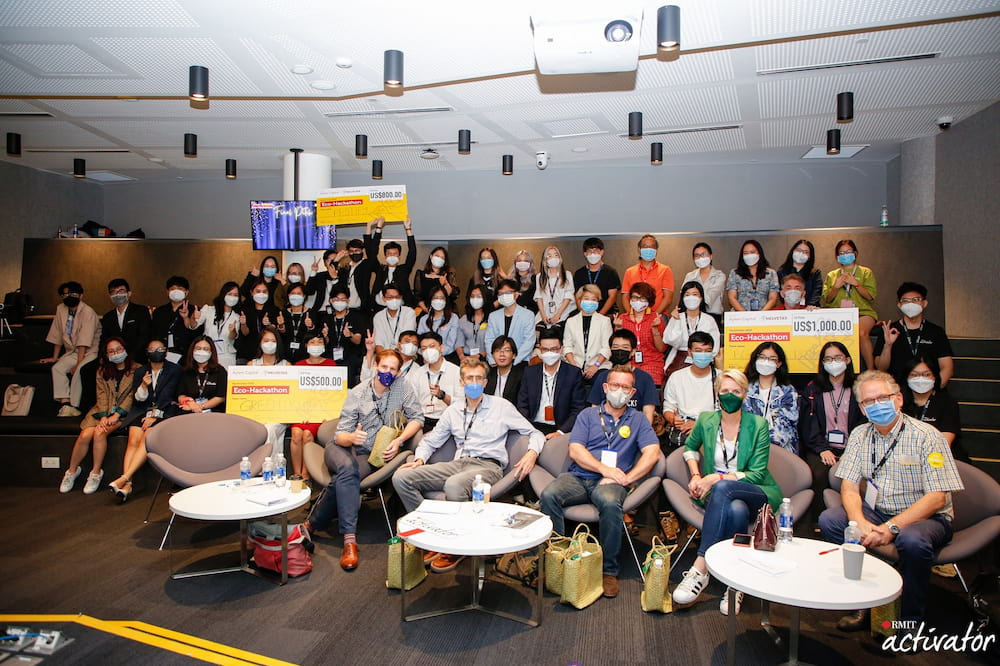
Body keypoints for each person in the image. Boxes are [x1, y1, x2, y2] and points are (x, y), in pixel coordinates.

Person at [819, 370, 963, 629]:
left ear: (898, 399)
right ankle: (863, 603)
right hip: (878, 511)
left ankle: (909, 621)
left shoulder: (927, 436)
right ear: (862, 409)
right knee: (830, 520)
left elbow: (937, 498)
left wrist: (891, 528)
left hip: (926, 518)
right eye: (868, 402)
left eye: (882, 398)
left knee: (912, 540)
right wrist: (859, 522)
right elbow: (849, 487)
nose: (876, 406)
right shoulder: (860, 435)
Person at [393, 358, 545, 572]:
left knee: (454, 485)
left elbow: (534, 432)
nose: (474, 382)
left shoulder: (501, 406)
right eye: (469, 378)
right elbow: (430, 440)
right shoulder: (454, 410)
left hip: (488, 467)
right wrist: (419, 459)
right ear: (461, 381)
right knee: (401, 477)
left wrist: (532, 453)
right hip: (458, 463)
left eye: (478, 378)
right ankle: (432, 534)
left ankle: (456, 548)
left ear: (485, 382)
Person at [540, 365, 660, 598]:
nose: (619, 391)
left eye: (625, 387)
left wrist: (627, 478)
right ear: (605, 387)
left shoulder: (638, 420)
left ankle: (609, 571)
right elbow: (575, 450)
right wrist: (604, 468)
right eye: (615, 385)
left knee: (609, 503)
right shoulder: (587, 415)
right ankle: (559, 559)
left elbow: (653, 453)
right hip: (578, 477)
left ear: (632, 393)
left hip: (612, 483)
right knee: (549, 494)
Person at [672, 369, 781, 615]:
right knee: (736, 509)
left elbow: (757, 473)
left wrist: (715, 478)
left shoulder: (758, 424)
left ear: (744, 394)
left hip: (757, 490)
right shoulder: (706, 420)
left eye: (736, 391)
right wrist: (697, 475)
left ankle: (700, 569)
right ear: (717, 393)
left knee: (727, 490)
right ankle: (735, 583)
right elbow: (689, 449)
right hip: (722, 496)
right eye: (724, 391)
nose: (730, 396)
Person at [306, 349, 423, 571]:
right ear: (376, 367)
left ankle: (311, 525)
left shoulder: (403, 387)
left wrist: (399, 441)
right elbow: (340, 435)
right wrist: (351, 437)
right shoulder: (357, 392)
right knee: (347, 468)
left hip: (370, 455)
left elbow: (417, 418)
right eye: (384, 367)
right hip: (340, 448)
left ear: (398, 372)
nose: (387, 372)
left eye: (392, 369)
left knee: (343, 478)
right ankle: (350, 540)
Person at [799, 341, 865, 528]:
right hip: (821, 447)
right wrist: (823, 450)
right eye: (828, 358)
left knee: (851, 477)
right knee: (818, 474)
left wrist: (850, 452)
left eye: (837, 357)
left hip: (852, 449)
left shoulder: (858, 388)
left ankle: (852, 520)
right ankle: (818, 523)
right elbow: (808, 425)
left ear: (848, 360)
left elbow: (863, 423)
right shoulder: (813, 389)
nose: (833, 362)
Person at [59, 337, 135, 494]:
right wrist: (103, 416)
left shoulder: (136, 369)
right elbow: (100, 395)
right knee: (86, 434)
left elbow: (130, 396)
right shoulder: (102, 371)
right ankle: (71, 472)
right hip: (102, 411)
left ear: (125, 349)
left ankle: (95, 472)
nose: (116, 353)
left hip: (122, 414)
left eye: (119, 349)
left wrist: (116, 414)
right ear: (106, 354)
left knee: (99, 432)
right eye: (111, 351)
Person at [108, 338, 181, 502]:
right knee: (133, 439)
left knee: (147, 436)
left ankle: (125, 478)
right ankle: (127, 485)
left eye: (160, 349)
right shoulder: (141, 371)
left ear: (166, 351)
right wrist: (143, 386)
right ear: (147, 353)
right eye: (153, 349)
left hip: (164, 411)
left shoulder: (174, 370)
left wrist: (155, 415)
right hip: (142, 410)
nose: (157, 352)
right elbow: (139, 399)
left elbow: (168, 395)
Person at [873, 281, 954, 387]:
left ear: (924, 303)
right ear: (899, 305)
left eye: (916, 300)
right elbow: (881, 368)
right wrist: (888, 345)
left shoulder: (936, 332)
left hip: (929, 389)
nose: (911, 303)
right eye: (906, 300)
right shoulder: (889, 330)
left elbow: (947, 367)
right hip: (898, 391)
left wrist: (934, 389)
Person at [42, 281, 101, 416]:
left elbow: (84, 341)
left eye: (73, 293)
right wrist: (54, 357)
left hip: (89, 351)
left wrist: (78, 363)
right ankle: (65, 402)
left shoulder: (88, 312)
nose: (69, 296)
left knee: (79, 371)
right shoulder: (60, 309)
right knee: (56, 368)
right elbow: (56, 334)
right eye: (65, 294)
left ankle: (75, 406)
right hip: (72, 351)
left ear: (81, 296)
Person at [517, 329, 586, 438]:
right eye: (545, 349)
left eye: (554, 349)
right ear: (540, 349)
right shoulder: (530, 372)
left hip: (560, 430)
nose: (549, 353)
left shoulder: (573, 373)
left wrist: (561, 432)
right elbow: (522, 404)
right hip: (532, 427)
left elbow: (578, 409)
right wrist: (529, 429)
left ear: (561, 349)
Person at [901, 352, 968, 463]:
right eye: (914, 375)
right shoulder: (898, 403)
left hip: (940, 459)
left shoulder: (947, 402)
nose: (921, 379)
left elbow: (944, 441)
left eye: (927, 374)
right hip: (905, 459)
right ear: (906, 377)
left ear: (935, 377)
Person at [822, 239, 877, 370]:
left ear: (855, 253)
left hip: (862, 313)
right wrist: (835, 287)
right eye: (841, 253)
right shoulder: (832, 275)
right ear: (837, 257)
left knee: (861, 333)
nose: (845, 255)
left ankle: (871, 370)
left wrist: (856, 284)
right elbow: (827, 300)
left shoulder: (866, 272)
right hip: (838, 314)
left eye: (848, 252)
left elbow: (871, 297)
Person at [290, 335, 338, 486]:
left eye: (320, 342)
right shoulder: (298, 365)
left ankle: (306, 475)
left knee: (307, 434)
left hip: (321, 412)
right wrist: (299, 412)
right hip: (302, 411)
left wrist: (329, 414)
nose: (316, 345)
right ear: (306, 345)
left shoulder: (331, 364)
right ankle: (296, 474)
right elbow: (294, 393)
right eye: (312, 342)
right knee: (296, 434)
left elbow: (334, 394)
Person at [588, 329, 658, 424]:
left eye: (625, 347)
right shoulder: (602, 377)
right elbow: (595, 411)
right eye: (615, 347)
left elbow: (648, 414)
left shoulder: (645, 379)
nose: (620, 351)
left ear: (633, 351)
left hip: (634, 431)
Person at [742, 342, 799, 453]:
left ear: (779, 364)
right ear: (755, 360)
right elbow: (742, 422)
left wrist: (763, 445)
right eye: (762, 357)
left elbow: (786, 425)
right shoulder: (743, 388)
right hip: (748, 448)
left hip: (780, 450)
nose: (766, 362)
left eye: (772, 358)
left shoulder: (787, 391)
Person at [662, 332, 719, 440]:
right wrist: (672, 418)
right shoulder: (677, 377)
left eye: (707, 351)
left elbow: (726, 411)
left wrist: (699, 424)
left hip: (711, 430)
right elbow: (669, 406)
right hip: (683, 429)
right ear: (689, 352)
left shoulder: (721, 377)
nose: (703, 354)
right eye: (698, 351)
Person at [662, 281, 720, 380]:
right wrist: (676, 322)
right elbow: (670, 341)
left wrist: (703, 357)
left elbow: (714, 347)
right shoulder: (677, 317)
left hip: (703, 358)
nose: (691, 298)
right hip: (680, 357)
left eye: (695, 294)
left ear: (701, 298)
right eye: (687, 295)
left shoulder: (709, 320)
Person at [247, 329, 291, 458]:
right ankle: (274, 468)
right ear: (260, 343)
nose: (269, 344)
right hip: (256, 412)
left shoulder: (286, 365)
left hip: (279, 414)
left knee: (269, 429)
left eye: (273, 341)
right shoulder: (251, 365)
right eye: (266, 340)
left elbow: (291, 394)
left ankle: (267, 469)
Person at [614, 282, 666, 387]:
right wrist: (618, 328)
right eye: (635, 297)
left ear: (649, 301)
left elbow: (661, 348)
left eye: (642, 298)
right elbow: (617, 348)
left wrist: (655, 328)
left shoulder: (656, 319)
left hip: (652, 362)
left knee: (649, 384)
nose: (638, 301)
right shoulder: (623, 319)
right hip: (628, 362)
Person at [408, 331, 461, 432]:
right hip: (422, 421)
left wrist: (443, 396)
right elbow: (412, 403)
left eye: (432, 346)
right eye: (424, 348)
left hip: (448, 421)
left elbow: (461, 403)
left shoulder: (456, 372)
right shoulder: (417, 373)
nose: (428, 351)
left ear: (441, 348)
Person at [320, 284, 367, 387]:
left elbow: (358, 340)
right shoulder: (326, 318)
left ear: (348, 301)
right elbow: (325, 343)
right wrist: (325, 336)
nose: (340, 302)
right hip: (330, 356)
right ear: (331, 301)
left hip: (349, 357)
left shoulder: (356, 317)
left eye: (343, 299)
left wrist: (350, 335)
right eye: (336, 299)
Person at [562, 285, 612, 381]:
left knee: (600, 379)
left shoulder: (605, 321)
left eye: (594, 299)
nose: (590, 302)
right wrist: (574, 366)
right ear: (579, 300)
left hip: (599, 366)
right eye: (586, 298)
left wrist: (595, 366)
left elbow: (606, 347)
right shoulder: (571, 321)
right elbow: (567, 346)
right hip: (575, 364)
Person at [484, 279, 536, 366]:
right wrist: (494, 360)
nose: (504, 296)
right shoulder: (493, 316)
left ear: (516, 295)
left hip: (519, 361)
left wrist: (513, 360)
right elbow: (489, 340)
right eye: (501, 293)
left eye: (508, 293)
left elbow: (529, 341)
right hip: (497, 363)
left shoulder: (528, 315)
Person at [369, 216, 417, 309]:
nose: (392, 256)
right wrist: (378, 228)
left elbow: (412, 253)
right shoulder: (380, 269)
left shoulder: (403, 270)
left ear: (399, 255)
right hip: (379, 308)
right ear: (385, 255)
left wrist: (408, 229)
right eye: (389, 253)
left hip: (400, 309)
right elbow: (372, 253)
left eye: (395, 254)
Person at [100, 278, 151, 364]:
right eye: (113, 292)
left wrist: (130, 357)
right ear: (110, 296)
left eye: (121, 291)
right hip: (114, 358)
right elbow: (104, 339)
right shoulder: (107, 317)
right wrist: (103, 356)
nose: (117, 295)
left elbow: (144, 337)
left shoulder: (141, 311)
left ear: (129, 293)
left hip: (136, 357)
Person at [620, 234, 674, 315]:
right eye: (645, 246)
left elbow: (668, 298)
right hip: (635, 316)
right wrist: (631, 316)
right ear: (639, 249)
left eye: (652, 246)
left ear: (656, 250)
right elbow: (625, 297)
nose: (648, 249)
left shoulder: (665, 270)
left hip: (658, 315)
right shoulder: (630, 271)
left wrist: (654, 316)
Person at [191, 281, 240, 367]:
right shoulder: (209, 310)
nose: (232, 297)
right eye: (230, 294)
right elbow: (193, 326)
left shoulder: (236, 317)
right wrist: (193, 317)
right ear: (223, 294)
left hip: (227, 356)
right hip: (207, 353)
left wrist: (233, 330)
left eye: (235, 295)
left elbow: (232, 337)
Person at [150, 276, 201, 359]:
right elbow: (154, 334)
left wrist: (187, 318)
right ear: (167, 291)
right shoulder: (159, 311)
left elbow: (197, 335)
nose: (176, 291)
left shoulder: (195, 310)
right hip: (163, 354)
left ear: (187, 292)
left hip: (186, 355)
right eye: (173, 288)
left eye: (180, 288)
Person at [176, 335, 228, 414]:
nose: (201, 351)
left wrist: (201, 406)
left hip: (214, 413)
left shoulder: (220, 371)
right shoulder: (186, 371)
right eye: (198, 348)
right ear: (192, 350)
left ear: (211, 352)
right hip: (190, 411)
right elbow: (181, 395)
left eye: (206, 349)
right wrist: (191, 404)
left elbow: (221, 397)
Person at [680, 242, 726, 326]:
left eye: (703, 254)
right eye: (697, 255)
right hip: (691, 316)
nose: (700, 257)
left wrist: (693, 297)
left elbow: (709, 299)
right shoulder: (690, 276)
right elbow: (683, 296)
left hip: (713, 316)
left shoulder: (719, 276)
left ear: (711, 256)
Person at [237, 277, 282, 363]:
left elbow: (276, 332)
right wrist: (243, 324)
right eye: (258, 291)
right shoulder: (245, 309)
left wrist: (268, 325)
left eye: (264, 291)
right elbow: (245, 333)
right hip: (247, 353)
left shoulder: (274, 310)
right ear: (251, 292)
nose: (261, 294)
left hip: (268, 354)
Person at [726, 240, 779, 312]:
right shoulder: (734, 273)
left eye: (752, 252)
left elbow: (773, 298)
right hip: (740, 316)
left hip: (764, 316)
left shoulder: (771, 273)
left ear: (759, 254)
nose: (749, 255)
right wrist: (745, 315)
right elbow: (732, 297)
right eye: (745, 253)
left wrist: (760, 315)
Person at [573, 237, 621, 316]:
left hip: (606, 313)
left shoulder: (610, 272)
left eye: (595, 251)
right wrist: (583, 314)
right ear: (585, 254)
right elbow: (577, 297)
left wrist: (599, 316)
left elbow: (612, 297)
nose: (592, 254)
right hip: (584, 313)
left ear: (602, 252)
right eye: (589, 251)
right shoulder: (579, 273)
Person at [535, 245, 576, 334]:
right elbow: (539, 297)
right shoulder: (539, 276)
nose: (553, 258)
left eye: (556, 255)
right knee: (538, 331)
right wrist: (542, 314)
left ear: (560, 258)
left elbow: (568, 297)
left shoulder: (567, 274)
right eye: (549, 255)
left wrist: (558, 315)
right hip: (545, 311)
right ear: (545, 260)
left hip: (563, 311)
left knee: (557, 331)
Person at [417, 285, 461, 359]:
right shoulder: (423, 320)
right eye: (435, 298)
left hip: (446, 357)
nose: (438, 300)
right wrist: (427, 355)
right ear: (430, 300)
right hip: (426, 357)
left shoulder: (453, 318)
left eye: (442, 298)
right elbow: (419, 343)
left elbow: (451, 343)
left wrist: (436, 355)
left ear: (446, 300)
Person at [372, 283, 417, 353]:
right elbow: (379, 343)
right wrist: (384, 359)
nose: (394, 300)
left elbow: (407, 339)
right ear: (383, 299)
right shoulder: (378, 317)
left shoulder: (409, 313)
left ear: (401, 297)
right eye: (390, 297)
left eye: (397, 297)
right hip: (385, 355)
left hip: (404, 353)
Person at [777, 239, 823, 307]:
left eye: (805, 252)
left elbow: (817, 292)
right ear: (792, 251)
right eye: (798, 250)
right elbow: (780, 294)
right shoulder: (782, 272)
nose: (801, 254)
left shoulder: (815, 273)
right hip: (788, 309)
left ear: (810, 256)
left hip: (810, 309)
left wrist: (811, 305)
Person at [413, 246, 459, 313]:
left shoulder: (448, 274)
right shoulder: (420, 274)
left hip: (445, 312)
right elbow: (418, 296)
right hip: (426, 311)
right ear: (431, 256)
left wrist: (445, 283)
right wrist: (426, 310)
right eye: (437, 256)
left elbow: (453, 295)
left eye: (442, 258)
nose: (439, 259)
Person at [279, 282, 317, 362]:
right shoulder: (283, 313)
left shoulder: (311, 313)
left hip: (305, 353)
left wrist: (310, 326)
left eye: (299, 293)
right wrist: (281, 325)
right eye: (292, 293)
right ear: (288, 295)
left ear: (304, 296)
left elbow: (314, 335)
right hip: (286, 353)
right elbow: (282, 335)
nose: (295, 296)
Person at [486, 336, 526, 404]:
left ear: (514, 355)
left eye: (506, 350)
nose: (501, 354)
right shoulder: (487, 374)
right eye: (497, 350)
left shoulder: (522, 376)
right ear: (492, 355)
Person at [457, 285, 492, 364]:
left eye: (479, 296)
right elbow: (459, 342)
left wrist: (480, 356)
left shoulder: (492, 319)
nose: (475, 299)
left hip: (485, 359)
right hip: (465, 359)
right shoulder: (464, 319)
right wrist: (462, 357)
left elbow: (494, 344)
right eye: (472, 296)